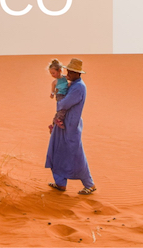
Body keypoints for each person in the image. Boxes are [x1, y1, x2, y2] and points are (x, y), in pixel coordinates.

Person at [45, 58, 96, 195]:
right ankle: (60, 183)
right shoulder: (73, 84)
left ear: (77, 73)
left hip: (71, 126)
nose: (68, 74)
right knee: (57, 151)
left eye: (71, 72)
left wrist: (59, 97)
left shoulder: (79, 87)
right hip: (63, 124)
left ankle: (89, 184)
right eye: (68, 71)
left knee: (76, 154)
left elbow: (64, 104)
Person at [47, 58, 69, 132]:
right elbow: (52, 90)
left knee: (63, 110)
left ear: (59, 70)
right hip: (60, 96)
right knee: (62, 109)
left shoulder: (66, 78)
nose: (52, 75)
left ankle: (53, 124)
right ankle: (58, 120)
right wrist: (52, 94)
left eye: (53, 73)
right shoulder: (54, 82)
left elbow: (71, 82)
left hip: (66, 95)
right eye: (51, 73)